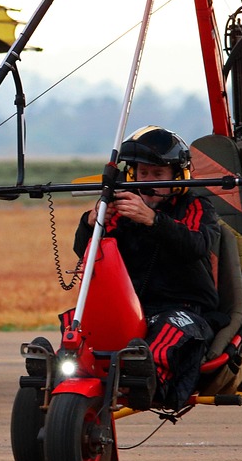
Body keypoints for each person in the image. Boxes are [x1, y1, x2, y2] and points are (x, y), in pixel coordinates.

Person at [72, 125, 226, 408]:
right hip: (131, 309)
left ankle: (147, 379)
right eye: (143, 174)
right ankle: (66, 371)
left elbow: (197, 245)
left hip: (185, 309)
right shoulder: (123, 210)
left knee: (170, 330)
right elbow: (86, 252)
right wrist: (91, 223)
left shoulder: (196, 207)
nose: (149, 182)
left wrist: (153, 221)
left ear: (177, 177)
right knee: (77, 320)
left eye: (158, 175)